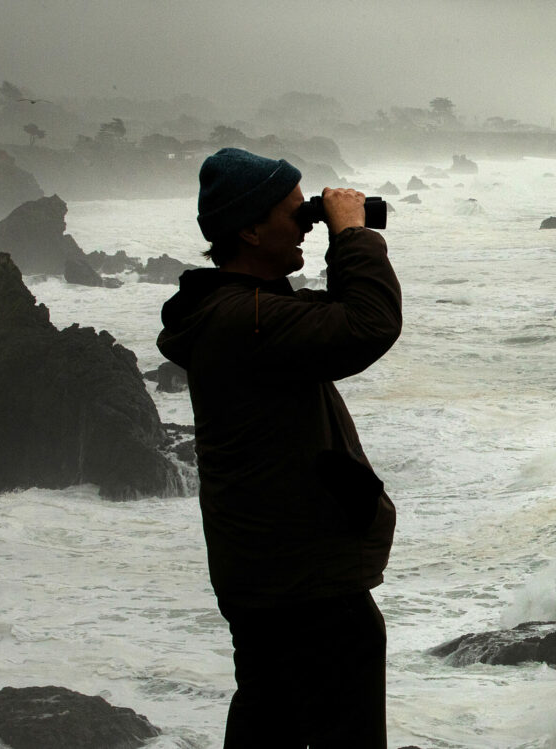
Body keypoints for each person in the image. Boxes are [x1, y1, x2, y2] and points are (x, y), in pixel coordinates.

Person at [156, 147, 402, 747]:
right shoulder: (246, 321)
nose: (305, 221)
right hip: (301, 584)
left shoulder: (244, 312)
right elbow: (369, 324)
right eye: (295, 213)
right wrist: (350, 236)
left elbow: (343, 315)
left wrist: (342, 235)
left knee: (272, 720)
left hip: (272, 572)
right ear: (248, 229)